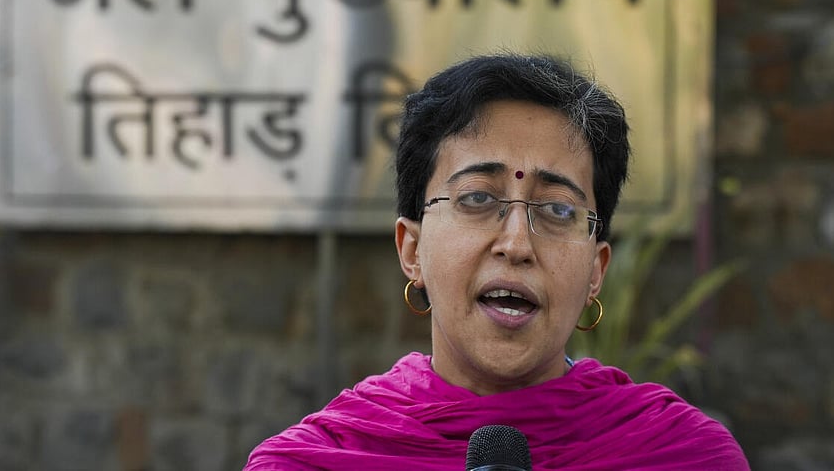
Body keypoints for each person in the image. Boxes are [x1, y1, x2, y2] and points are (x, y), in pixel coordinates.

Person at [244, 53, 749, 470]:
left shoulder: (683, 456)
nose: (516, 244)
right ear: (412, 250)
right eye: (477, 199)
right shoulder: (316, 461)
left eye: (558, 209)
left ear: (596, 270)